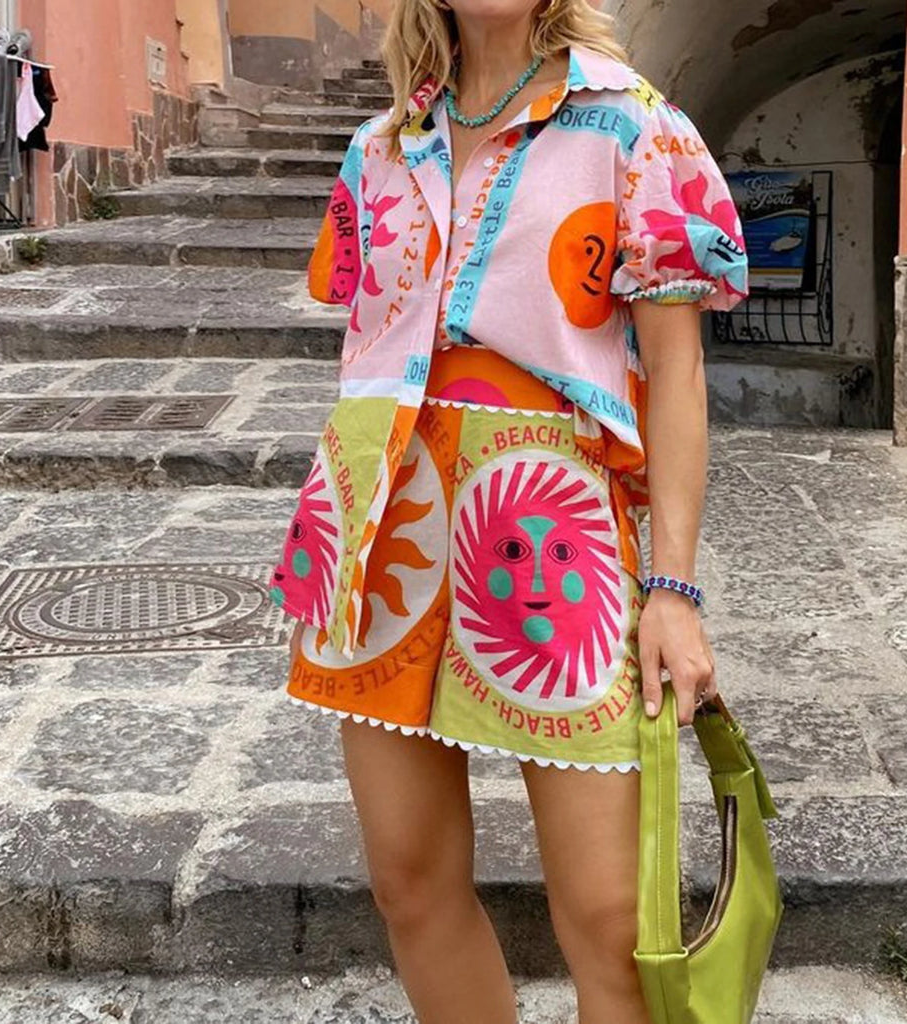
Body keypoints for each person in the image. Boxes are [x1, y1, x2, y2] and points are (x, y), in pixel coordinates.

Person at [267, 0, 748, 1016]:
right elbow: (369, 342)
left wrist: (672, 587)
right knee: (406, 879)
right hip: (385, 517)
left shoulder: (633, 124)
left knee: (612, 918)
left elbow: (677, 375)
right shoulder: (381, 144)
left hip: (551, 521)